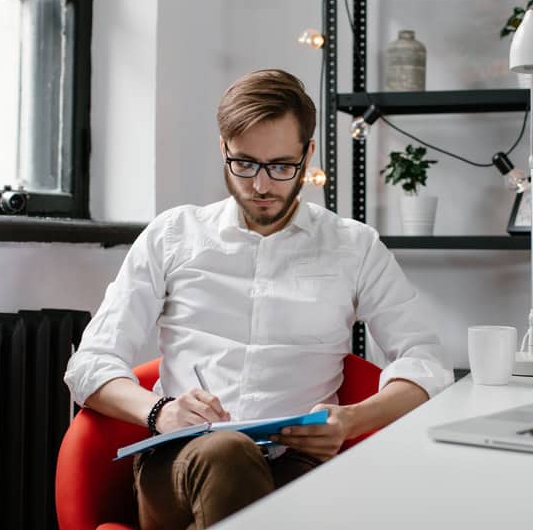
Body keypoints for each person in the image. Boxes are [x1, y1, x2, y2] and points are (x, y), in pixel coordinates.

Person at [64, 69, 453, 530]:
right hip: (178, 463)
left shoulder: (353, 246)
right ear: (223, 150)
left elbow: (426, 360)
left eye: (281, 166)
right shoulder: (173, 236)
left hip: (296, 467)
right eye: (244, 164)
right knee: (226, 452)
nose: (262, 186)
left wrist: (352, 420)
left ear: (308, 155)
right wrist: (160, 412)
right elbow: (89, 363)